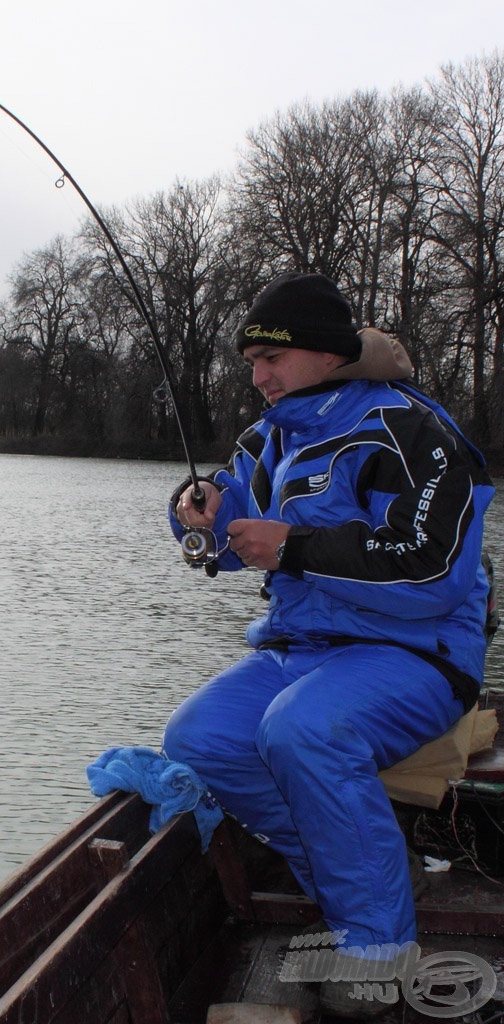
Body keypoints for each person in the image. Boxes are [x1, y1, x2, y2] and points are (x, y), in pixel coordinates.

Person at [163, 272, 494, 1018]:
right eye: (250, 361)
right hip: (303, 647)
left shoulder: (415, 432)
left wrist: (296, 548)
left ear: (324, 353)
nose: (258, 377)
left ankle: (379, 945)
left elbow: (433, 571)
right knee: (200, 737)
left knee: (303, 728)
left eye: (270, 359)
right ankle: (365, 877)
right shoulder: (268, 435)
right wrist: (202, 516)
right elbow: (225, 530)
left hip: (417, 653)